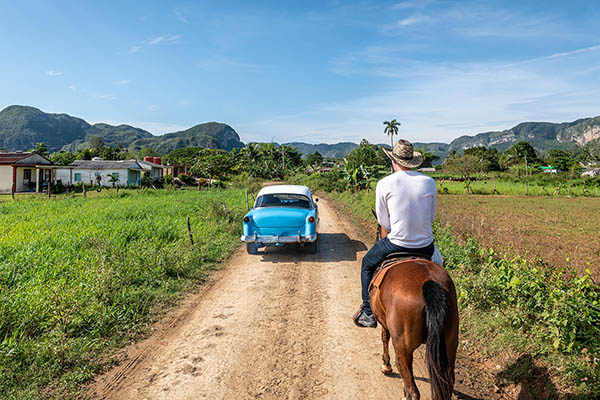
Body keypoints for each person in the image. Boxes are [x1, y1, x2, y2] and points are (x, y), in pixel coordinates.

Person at [354, 139, 441, 328]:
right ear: (412, 162)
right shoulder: (429, 182)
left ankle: (368, 312)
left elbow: (383, 222)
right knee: (441, 268)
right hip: (426, 246)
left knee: (367, 264)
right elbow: (431, 217)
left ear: (394, 161)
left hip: (396, 243)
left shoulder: (384, 183)